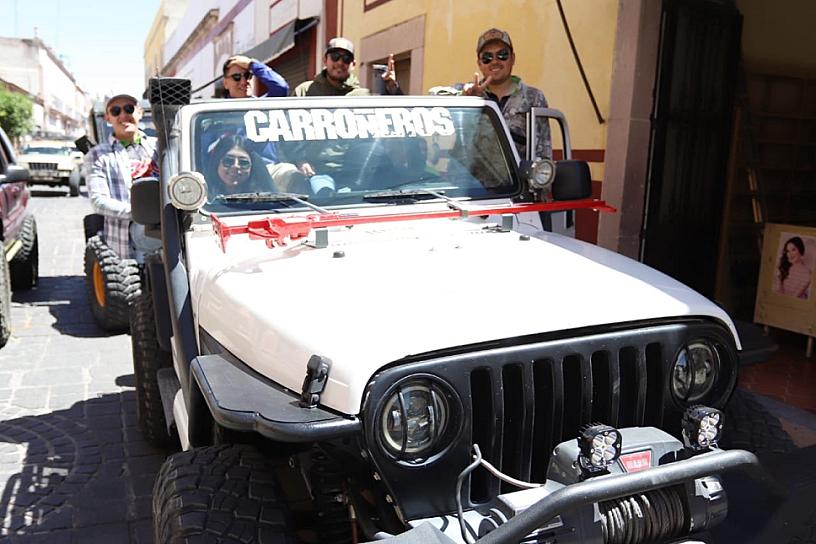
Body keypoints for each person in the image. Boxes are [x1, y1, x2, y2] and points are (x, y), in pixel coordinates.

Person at [85, 94, 158, 259]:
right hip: (127, 238)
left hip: (167, 231)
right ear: (108, 118)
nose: (123, 115)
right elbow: (98, 201)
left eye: (129, 109)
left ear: (140, 112)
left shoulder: (159, 146)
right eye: (116, 111)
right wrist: (138, 213)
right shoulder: (97, 154)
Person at [461, 28, 551, 160]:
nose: (495, 61)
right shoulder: (468, 96)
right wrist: (466, 99)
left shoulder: (534, 98)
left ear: (512, 58)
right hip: (474, 180)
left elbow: (543, 154)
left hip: (519, 180)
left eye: (502, 55)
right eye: (487, 58)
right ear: (479, 64)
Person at [293, 37, 401, 97]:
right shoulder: (304, 92)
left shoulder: (364, 97)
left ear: (353, 64)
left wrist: (393, 89)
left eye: (346, 58)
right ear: (325, 60)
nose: (340, 62)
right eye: (335, 56)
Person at [204, 135, 275, 199]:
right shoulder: (204, 199)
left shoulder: (264, 200)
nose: (236, 166)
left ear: (252, 167)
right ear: (217, 163)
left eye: (243, 163)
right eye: (228, 161)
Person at [222, 55, 288, 98]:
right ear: (225, 83)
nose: (244, 82)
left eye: (247, 75)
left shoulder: (259, 106)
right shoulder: (217, 112)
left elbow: (280, 87)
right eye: (236, 77)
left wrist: (252, 64)